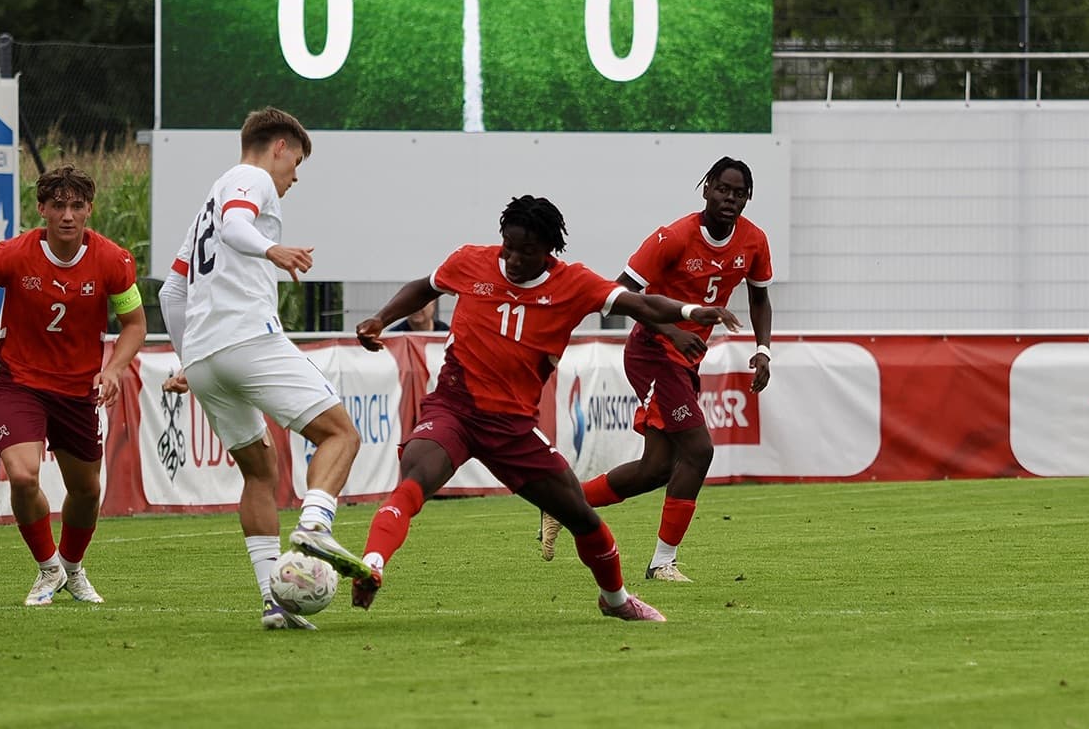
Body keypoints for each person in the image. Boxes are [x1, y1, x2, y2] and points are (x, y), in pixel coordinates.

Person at [352, 194, 742, 622]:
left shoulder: (573, 283)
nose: (515, 259)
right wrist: (380, 318)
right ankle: (371, 565)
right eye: (509, 247)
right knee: (413, 482)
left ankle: (616, 600)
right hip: (453, 410)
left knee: (582, 518)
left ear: (549, 250)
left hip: (514, 429)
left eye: (528, 251)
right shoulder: (469, 261)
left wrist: (692, 310)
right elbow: (425, 287)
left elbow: (642, 304)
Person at [157, 106, 372, 631]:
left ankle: (274, 601)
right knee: (341, 435)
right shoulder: (250, 177)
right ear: (278, 146)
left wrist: (190, 359)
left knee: (260, 470)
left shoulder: (206, 202)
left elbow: (172, 291)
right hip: (248, 337)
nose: (294, 177)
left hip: (208, 356)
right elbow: (236, 227)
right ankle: (316, 524)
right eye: (295, 162)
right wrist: (272, 248)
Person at [0, 164, 147, 607]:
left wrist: (113, 368)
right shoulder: (12, 254)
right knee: (22, 474)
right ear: (42, 210)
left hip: (79, 391)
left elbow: (134, 324)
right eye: (58, 206)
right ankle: (47, 568)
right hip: (19, 383)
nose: (68, 215)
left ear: (89, 209)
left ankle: (72, 569)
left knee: (87, 490)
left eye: (76, 206)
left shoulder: (114, 260)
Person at [539, 157, 774, 583]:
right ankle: (662, 563)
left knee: (657, 468)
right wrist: (672, 331)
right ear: (706, 189)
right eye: (723, 189)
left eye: (739, 193)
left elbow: (759, 297)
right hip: (652, 352)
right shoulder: (673, 237)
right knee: (699, 450)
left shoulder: (754, 241)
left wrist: (763, 351)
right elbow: (619, 293)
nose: (730, 199)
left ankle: (562, 504)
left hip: (684, 359)